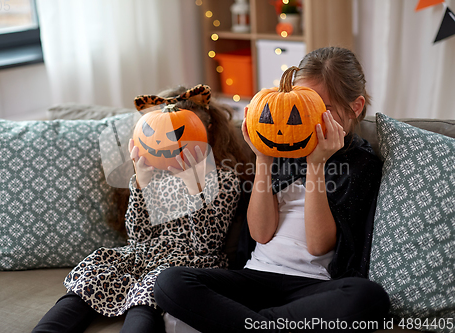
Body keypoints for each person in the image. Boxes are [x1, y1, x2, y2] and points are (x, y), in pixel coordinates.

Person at [154, 47, 391, 332]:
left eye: (322, 109)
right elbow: (260, 233)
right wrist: (263, 158)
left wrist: (317, 164)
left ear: (355, 106)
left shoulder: (361, 163)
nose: (308, 119)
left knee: (369, 297)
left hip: (314, 288)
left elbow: (318, 246)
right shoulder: (282, 148)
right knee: (170, 283)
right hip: (257, 278)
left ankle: (250, 325)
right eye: (303, 106)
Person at [32, 84, 249, 333]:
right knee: (95, 276)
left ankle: (141, 315)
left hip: (188, 264)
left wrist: (194, 188)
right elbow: (139, 238)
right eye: (160, 133)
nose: (169, 143)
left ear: (207, 132)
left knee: (148, 293)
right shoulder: (153, 174)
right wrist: (141, 183)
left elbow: (206, 244)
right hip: (144, 255)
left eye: (180, 133)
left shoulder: (224, 180)